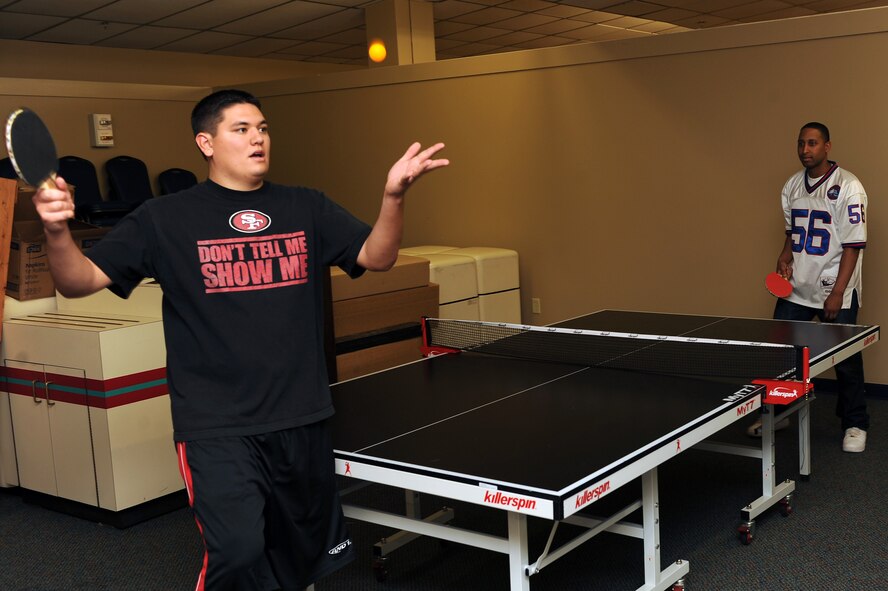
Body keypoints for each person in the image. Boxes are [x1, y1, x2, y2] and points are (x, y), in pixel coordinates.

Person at [32, 89, 449, 589]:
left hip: (302, 414)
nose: (258, 139)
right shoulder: (163, 218)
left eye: (263, 128)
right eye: (242, 129)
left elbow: (376, 256)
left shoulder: (305, 205)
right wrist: (57, 233)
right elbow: (78, 281)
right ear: (205, 143)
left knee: (298, 557)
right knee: (237, 550)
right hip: (217, 424)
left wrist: (393, 197)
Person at [749, 122, 868, 453]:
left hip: (834, 287)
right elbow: (793, 234)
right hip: (798, 288)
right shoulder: (791, 186)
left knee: (846, 359)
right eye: (801, 143)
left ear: (827, 146)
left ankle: (855, 423)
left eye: (812, 143)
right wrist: (784, 256)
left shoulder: (849, 187)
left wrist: (838, 292)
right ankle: (780, 412)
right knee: (782, 355)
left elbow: (853, 245)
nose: (805, 149)